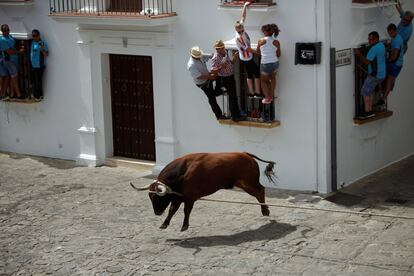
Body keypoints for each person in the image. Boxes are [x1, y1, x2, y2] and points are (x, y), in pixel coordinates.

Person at [354, 31, 386, 119]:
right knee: (370, 91)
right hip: (382, 74)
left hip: (374, 75)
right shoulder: (382, 45)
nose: (369, 41)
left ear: (376, 39)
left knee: (364, 91)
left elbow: (366, 61)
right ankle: (370, 109)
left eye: (370, 39)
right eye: (368, 39)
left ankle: (367, 111)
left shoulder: (374, 49)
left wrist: (359, 54)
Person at [187, 46, 225, 120]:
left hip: (207, 76)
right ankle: (219, 116)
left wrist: (219, 54)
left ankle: (217, 91)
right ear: (193, 56)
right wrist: (210, 77)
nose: (199, 57)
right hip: (203, 83)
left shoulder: (200, 55)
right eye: (197, 57)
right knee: (212, 98)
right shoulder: (191, 65)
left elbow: (211, 55)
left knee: (219, 76)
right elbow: (199, 76)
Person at [211, 40, 243, 121]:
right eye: (218, 48)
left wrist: (235, 57)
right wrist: (221, 66)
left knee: (233, 96)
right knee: (232, 97)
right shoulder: (216, 57)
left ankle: (236, 115)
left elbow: (230, 63)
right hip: (225, 78)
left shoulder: (225, 52)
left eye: (221, 47)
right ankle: (235, 116)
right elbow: (213, 71)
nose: (220, 49)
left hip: (230, 76)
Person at [234, 1, 261, 98]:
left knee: (250, 73)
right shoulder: (238, 38)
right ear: (236, 31)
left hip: (246, 56)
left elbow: (243, 17)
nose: (241, 32)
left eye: (242, 30)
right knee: (256, 71)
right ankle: (256, 92)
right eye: (239, 32)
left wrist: (245, 5)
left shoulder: (241, 27)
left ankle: (253, 93)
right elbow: (248, 49)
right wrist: (258, 52)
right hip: (246, 58)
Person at [378, 24, 404, 106]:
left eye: (392, 33)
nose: (390, 35)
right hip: (399, 64)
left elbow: (394, 55)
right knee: (389, 80)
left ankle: (380, 89)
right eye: (389, 33)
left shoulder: (397, 41)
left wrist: (386, 61)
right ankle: (383, 98)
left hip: (394, 64)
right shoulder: (397, 37)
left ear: (395, 30)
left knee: (380, 74)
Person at [257, 24, 281, 104]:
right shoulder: (276, 42)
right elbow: (278, 55)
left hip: (265, 64)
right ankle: (271, 95)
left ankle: (267, 98)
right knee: (273, 79)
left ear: (264, 32)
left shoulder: (260, 41)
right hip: (275, 63)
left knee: (263, 81)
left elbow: (258, 52)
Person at [0, 24, 23, 99]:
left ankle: (12, 94)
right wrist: (19, 52)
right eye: (5, 30)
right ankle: (18, 94)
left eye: (8, 30)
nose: (7, 31)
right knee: (14, 77)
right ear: (2, 31)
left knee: (12, 77)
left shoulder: (9, 36)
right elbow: (9, 52)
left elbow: (13, 45)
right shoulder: (2, 40)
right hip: (9, 61)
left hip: (13, 60)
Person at [30, 29, 49, 100]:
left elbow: (47, 54)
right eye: (33, 36)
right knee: (34, 81)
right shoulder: (32, 42)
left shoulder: (43, 43)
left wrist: (42, 49)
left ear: (39, 35)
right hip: (33, 66)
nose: (35, 37)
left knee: (38, 81)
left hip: (39, 65)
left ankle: (39, 95)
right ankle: (36, 94)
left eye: (36, 35)